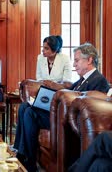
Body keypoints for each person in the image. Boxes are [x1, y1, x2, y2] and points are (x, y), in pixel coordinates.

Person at [13, 42, 110, 172]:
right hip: (61, 114)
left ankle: (28, 162)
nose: (74, 64)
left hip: (69, 121)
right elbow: (70, 90)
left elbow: (94, 108)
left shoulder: (98, 80)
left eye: (76, 60)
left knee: (30, 113)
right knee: (25, 107)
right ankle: (20, 152)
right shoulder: (83, 79)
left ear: (89, 60)